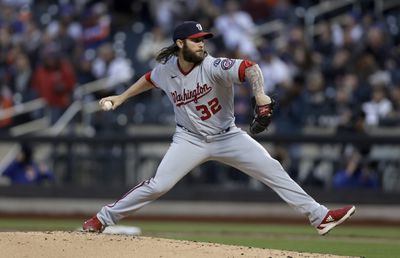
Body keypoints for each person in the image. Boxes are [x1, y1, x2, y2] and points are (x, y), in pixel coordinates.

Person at [82, 21, 355, 236]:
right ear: (180, 44)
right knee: (158, 185)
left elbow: (250, 67)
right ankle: (101, 219)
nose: (202, 45)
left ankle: (320, 217)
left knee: (273, 168)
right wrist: (121, 98)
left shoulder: (213, 66)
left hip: (228, 136)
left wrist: (260, 94)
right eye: (196, 40)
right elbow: (148, 79)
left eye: (204, 40)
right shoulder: (167, 70)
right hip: (189, 140)